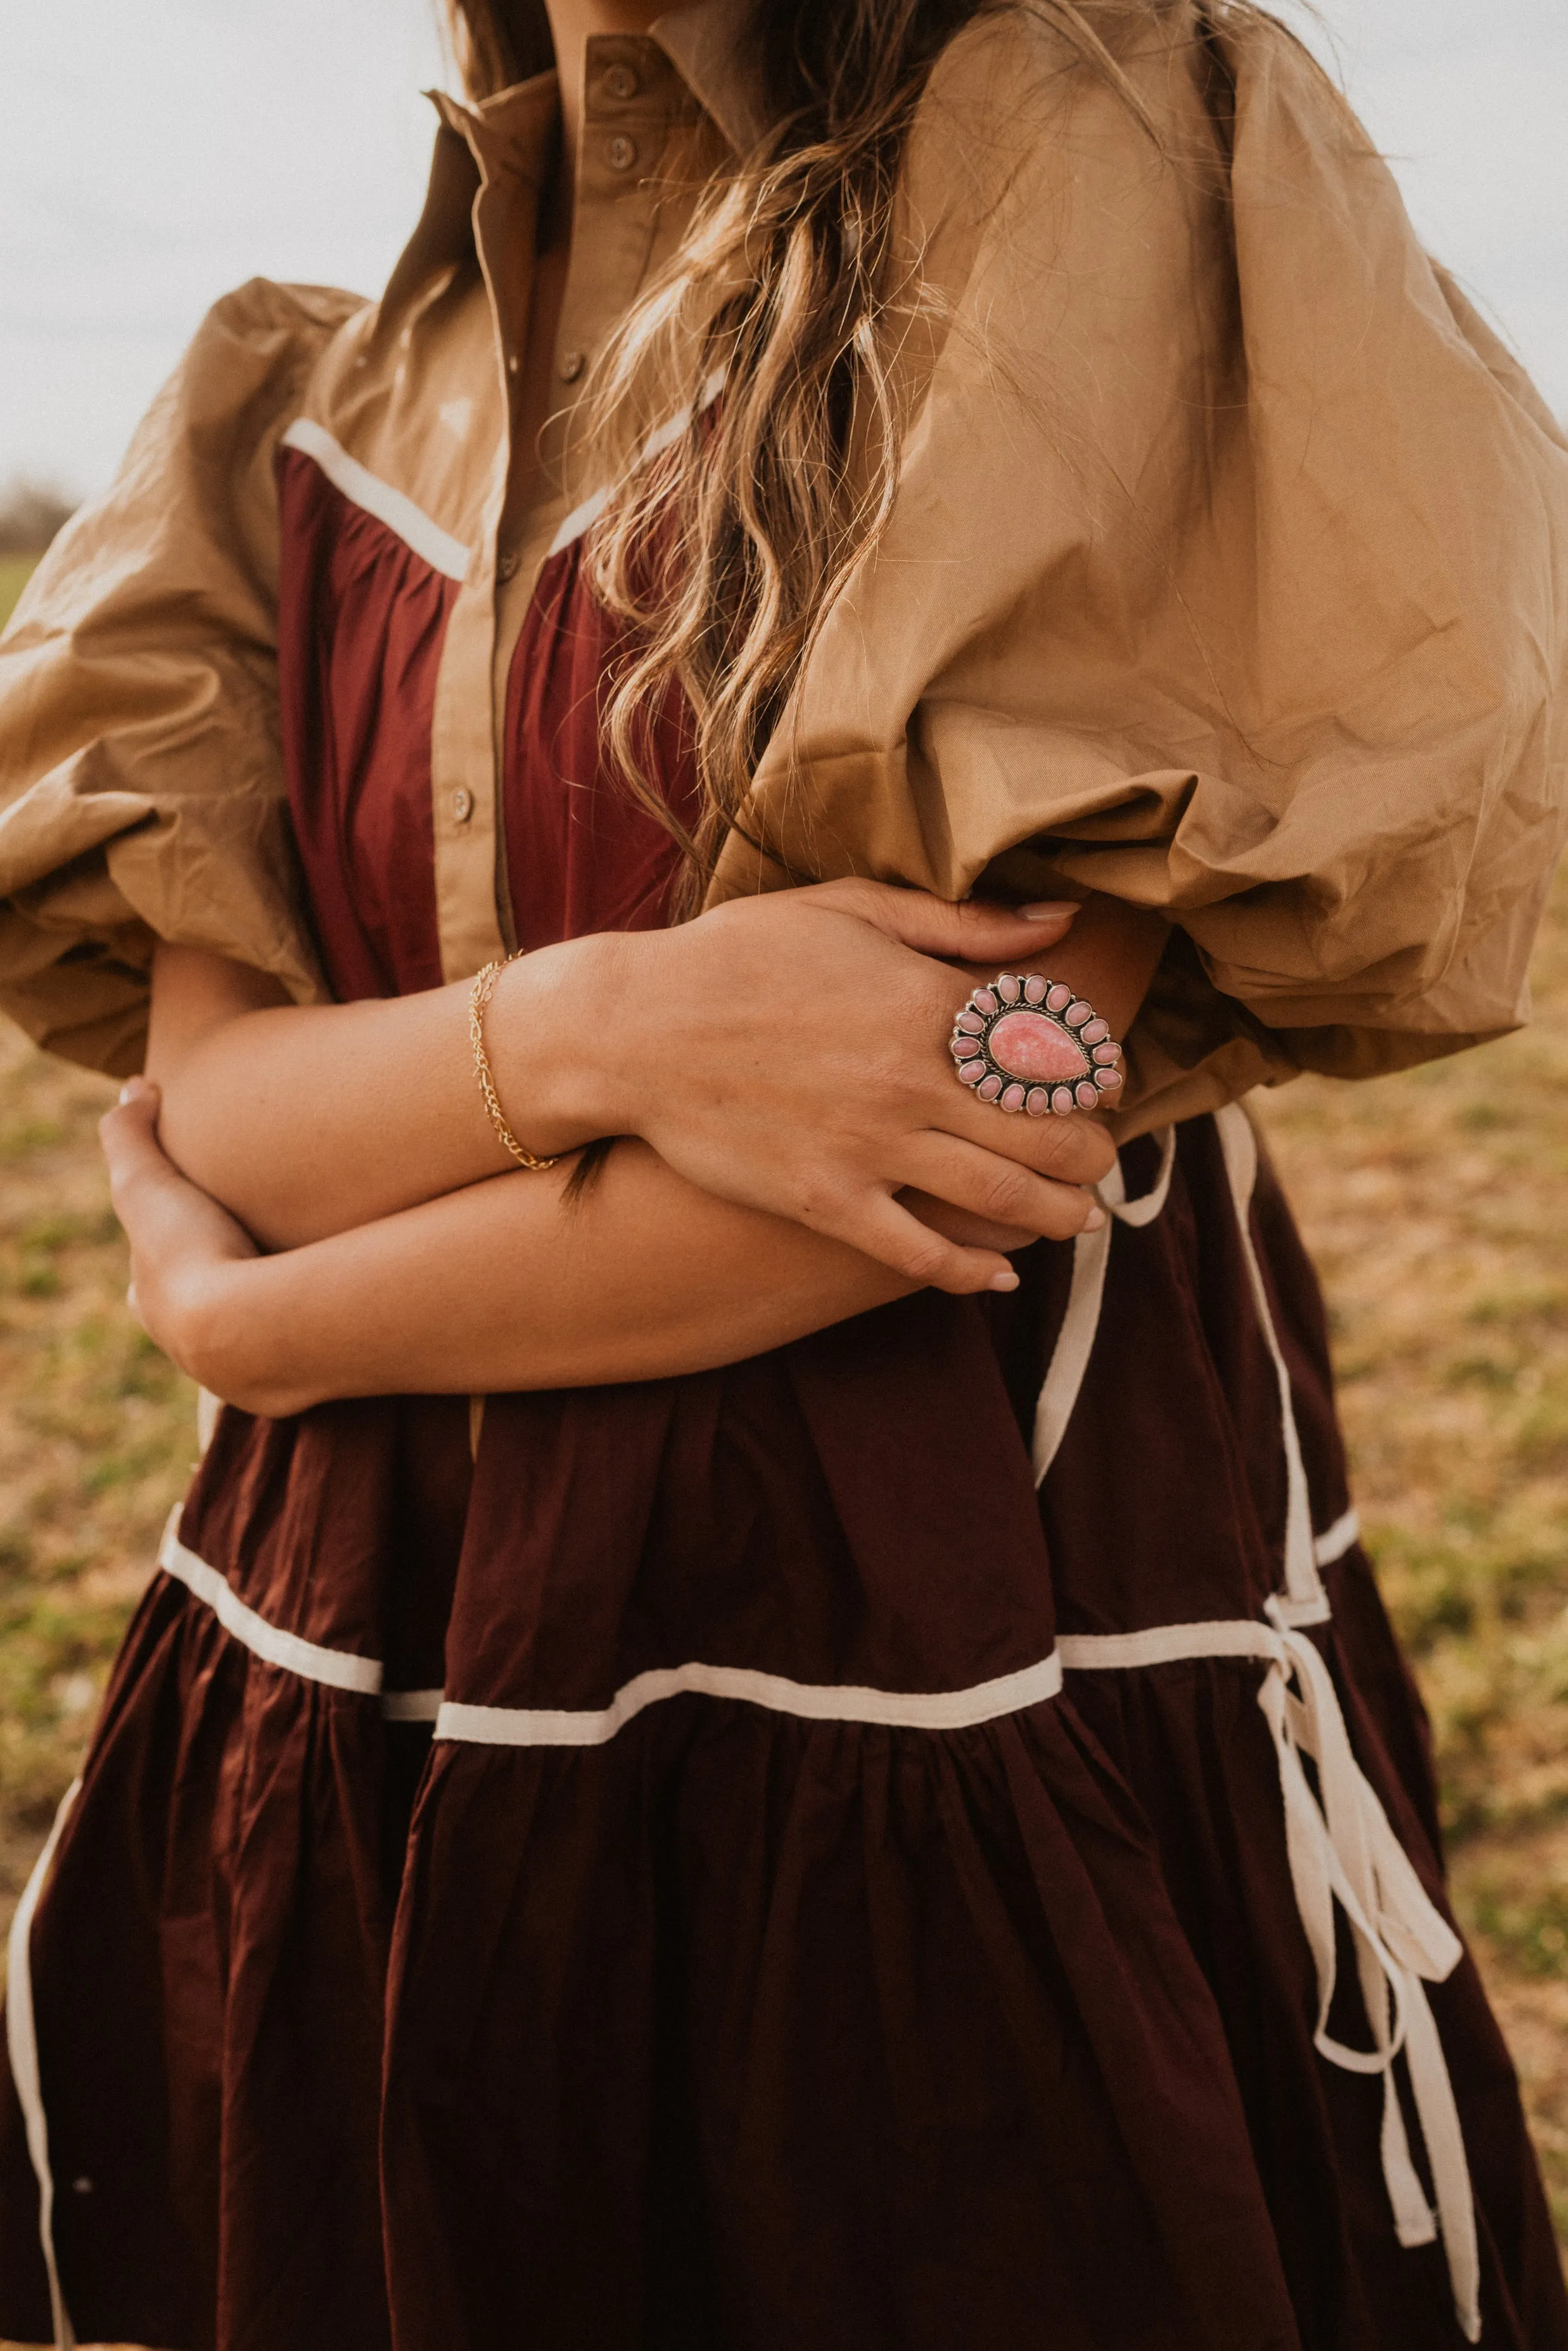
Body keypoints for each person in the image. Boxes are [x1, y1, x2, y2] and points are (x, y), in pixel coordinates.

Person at [0, 0, 1564, 2342]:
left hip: (941, 1684)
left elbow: (971, 1114)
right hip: (375, 1679)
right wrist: (622, 1021)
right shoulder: (295, 397)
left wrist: (253, 1319)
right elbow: (216, 1102)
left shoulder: (1094, 142)